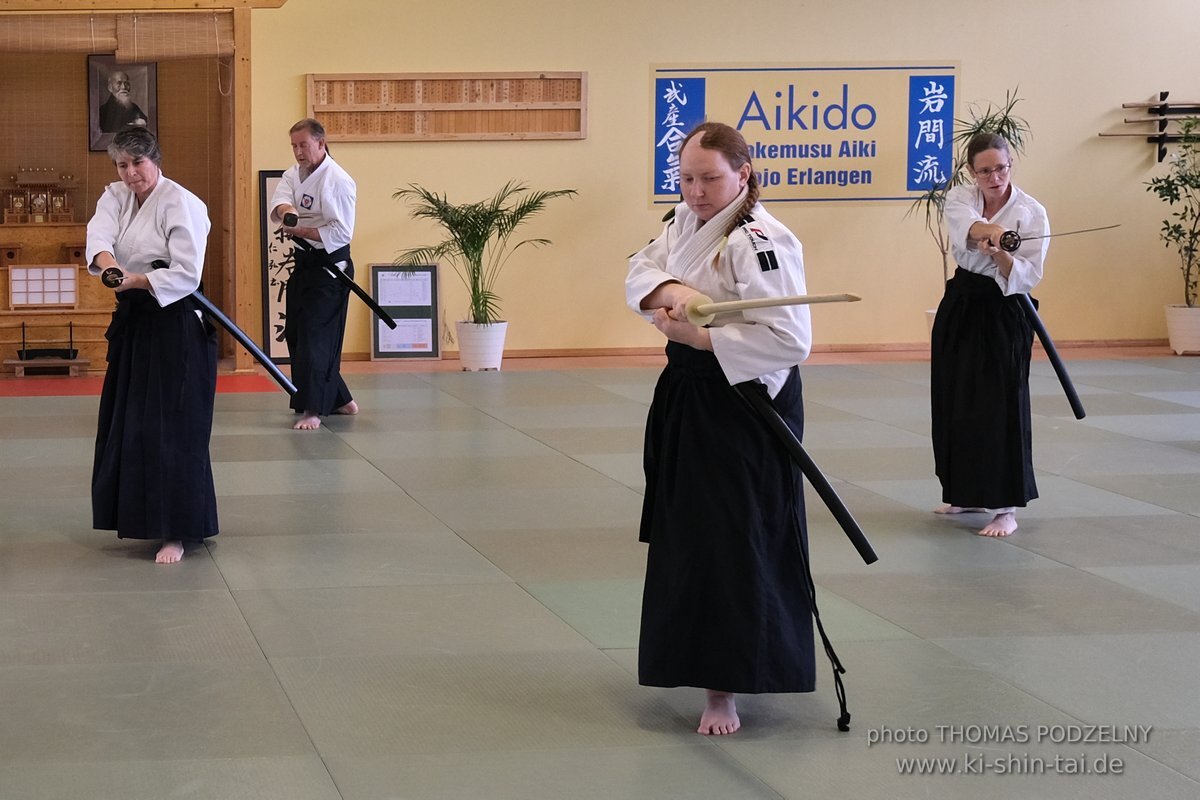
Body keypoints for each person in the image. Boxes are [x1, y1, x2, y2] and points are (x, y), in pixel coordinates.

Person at [626, 121, 815, 736]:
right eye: (687, 178)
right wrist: (677, 289)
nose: (697, 191)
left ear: (743, 174)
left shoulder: (763, 240)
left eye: (710, 178)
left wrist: (702, 334)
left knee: (736, 541)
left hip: (746, 407)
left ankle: (725, 689)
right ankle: (694, 664)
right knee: (690, 538)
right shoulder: (680, 223)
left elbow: (791, 338)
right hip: (690, 395)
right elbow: (638, 273)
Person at [86, 128, 218, 564]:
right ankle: (143, 520)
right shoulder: (116, 195)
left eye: (137, 164)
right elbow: (99, 240)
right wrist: (110, 270)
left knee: (174, 429)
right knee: (132, 423)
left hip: (175, 322)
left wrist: (137, 279)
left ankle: (178, 532)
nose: (130, 174)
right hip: (135, 321)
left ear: (155, 161)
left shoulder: (182, 203)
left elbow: (187, 272)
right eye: (123, 165)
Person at [931, 133, 1050, 537]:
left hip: (1005, 308)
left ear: (1010, 163)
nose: (995, 177)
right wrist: (994, 234)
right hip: (963, 301)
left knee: (1002, 403)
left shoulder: (1033, 212)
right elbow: (968, 228)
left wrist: (1000, 252)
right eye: (985, 170)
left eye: (1001, 167)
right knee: (956, 396)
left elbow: (1029, 274)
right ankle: (964, 491)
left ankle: (1006, 508)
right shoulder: (960, 198)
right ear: (972, 172)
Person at [269, 118, 358, 430]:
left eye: (303, 145)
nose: (298, 151)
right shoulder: (295, 173)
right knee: (295, 331)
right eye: (294, 146)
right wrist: (286, 213)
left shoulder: (338, 180)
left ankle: (314, 411)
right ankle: (342, 399)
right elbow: (280, 199)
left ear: (321, 143)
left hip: (332, 267)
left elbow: (342, 233)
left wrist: (297, 227)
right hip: (305, 263)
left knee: (315, 338)